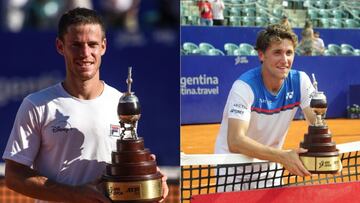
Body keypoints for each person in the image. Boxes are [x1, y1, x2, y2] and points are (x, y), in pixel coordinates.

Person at [2, 7, 168, 203]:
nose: (85, 53)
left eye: (92, 44)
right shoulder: (36, 105)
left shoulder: (120, 103)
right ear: (60, 46)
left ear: (103, 46)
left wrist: (148, 176)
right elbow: (13, 176)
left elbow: (122, 168)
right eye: (76, 45)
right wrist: (74, 195)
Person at [214, 24, 317, 190]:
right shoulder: (244, 87)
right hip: (233, 168)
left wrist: (327, 157)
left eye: (289, 53)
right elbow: (235, 141)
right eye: (277, 52)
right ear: (261, 55)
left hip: (270, 167)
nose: (285, 60)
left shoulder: (301, 81)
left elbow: (316, 121)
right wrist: (283, 156)